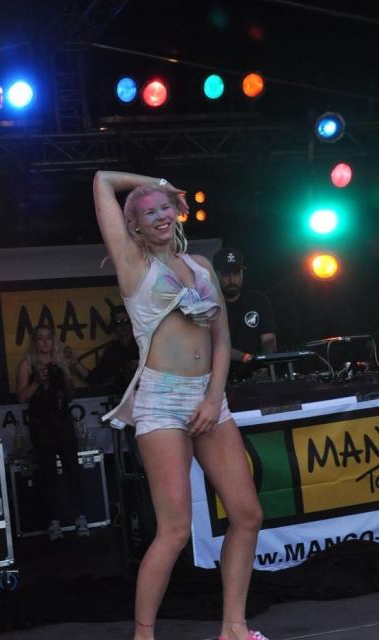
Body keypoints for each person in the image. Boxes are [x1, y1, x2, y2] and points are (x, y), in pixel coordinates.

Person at [93, 171, 266, 640]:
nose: (160, 216)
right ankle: (143, 636)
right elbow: (102, 180)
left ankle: (234, 629)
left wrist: (212, 398)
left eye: (165, 206)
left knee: (248, 514)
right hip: (161, 401)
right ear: (134, 226)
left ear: (177, 212)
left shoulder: (202, 266)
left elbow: (222, 338)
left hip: (209, 396)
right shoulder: (133, 264)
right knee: (174, 530)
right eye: (148, 211)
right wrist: (158, 182)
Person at [16, 324, 89, 540]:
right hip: (41, 423)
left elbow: (70, 396)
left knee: (72, 467)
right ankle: (53, 520)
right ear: (34, 342)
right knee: (48, 471)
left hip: (62, 421)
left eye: (48, 337)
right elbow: (21, 397)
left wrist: (67, 384)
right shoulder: (27, 364)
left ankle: (80, 516)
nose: (45, 342)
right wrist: (37, 382)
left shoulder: (60, 362)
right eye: (40, 338)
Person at [212, 248, 277, 380]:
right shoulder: (207, 304)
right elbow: (212, 345)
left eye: (236, 273)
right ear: (215, 275)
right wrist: (246, 358)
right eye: (226, 274)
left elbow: (269, 340)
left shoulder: (258, 300)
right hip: (219, 379)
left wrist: (265, 364)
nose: (232, 279)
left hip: (255, 376)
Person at [68, 304, 139, 394]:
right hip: (123, 397)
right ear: (114, 326)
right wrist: (76, 363)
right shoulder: (112, 352)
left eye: (126, 321)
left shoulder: (144, 345)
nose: (122, 325)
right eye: (118, 322)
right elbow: (94, 378)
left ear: (132, 322)